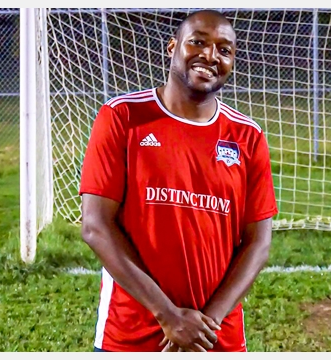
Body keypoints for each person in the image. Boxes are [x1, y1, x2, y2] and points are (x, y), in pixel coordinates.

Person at [79, 9, 277, 352]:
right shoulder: (122, 117)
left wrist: (204, 326)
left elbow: (258, 243)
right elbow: (96, 226)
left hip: (215, 338)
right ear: (172, 47)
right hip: (131, 336)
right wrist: (168, 316)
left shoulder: (248, 136)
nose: (210, 56)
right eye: (198, 42)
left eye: (224, 50)